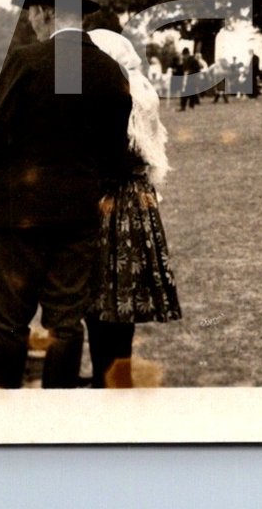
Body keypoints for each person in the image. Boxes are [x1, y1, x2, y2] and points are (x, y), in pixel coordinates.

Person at [0, 0, 135, 388]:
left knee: (5, 320)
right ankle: (58, 414)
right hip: (79, 216)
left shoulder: (26, 62)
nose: (30, 20)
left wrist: (7, 176)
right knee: (65, 322)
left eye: (31, 12)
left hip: (16, 213)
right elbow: (117, 158)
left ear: (44, 11)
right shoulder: (110, 72)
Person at [85, 21, 182, 386]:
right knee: (120, 295)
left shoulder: (116, 90)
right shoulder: (141, 88)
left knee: (101, 294)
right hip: (136, 201)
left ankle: (107, 375)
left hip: (112, 200)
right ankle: (116, 373)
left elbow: (115, 153)